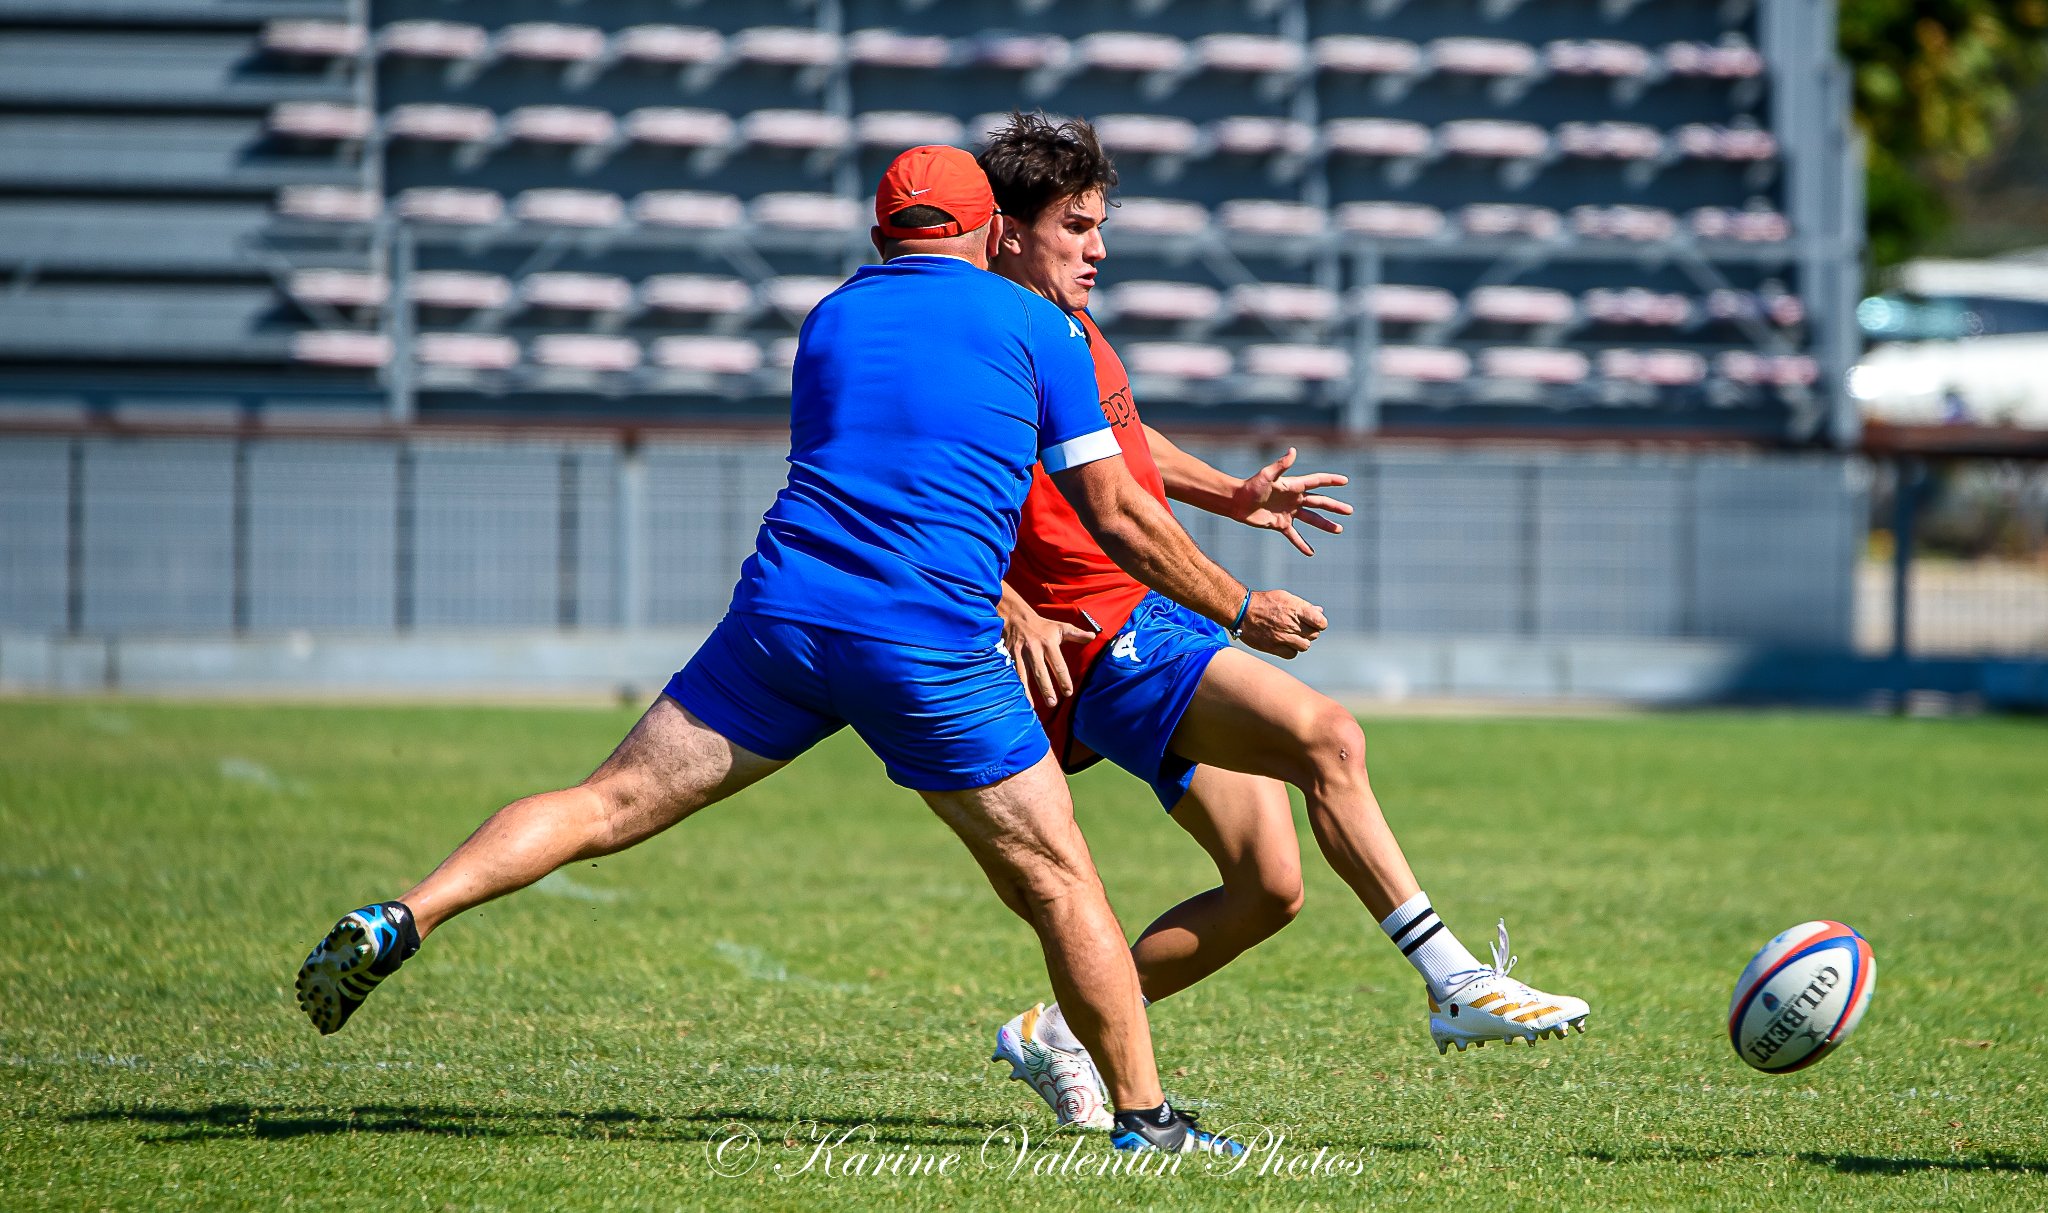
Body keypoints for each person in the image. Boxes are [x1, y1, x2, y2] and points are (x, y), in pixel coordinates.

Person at [292, 145, 1330, 1155]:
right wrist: (1239, 607)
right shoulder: (1037, 325)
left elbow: (879, 465)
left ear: (882, 232)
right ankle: (1147, 1123)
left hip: (782, 618)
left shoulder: (829, 318)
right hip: (926, 639)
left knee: (605, 802)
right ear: (989, 229)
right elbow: (1115, 510)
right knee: (1062, 882)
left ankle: (407, 912)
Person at [970, 114, 1591, 1130]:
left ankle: (1062, 1032)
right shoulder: (993, 339)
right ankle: (1452, 978)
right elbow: (944, 492)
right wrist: (1236, 605)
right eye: (1076, 226)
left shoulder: (1062, 323)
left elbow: (1113, 438)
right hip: (1109, 633)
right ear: (1005, 230)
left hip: (1148, 617)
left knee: (1266, 886)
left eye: (1101, 223)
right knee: (1326, 736)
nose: (1099, 248)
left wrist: (1226, 495)